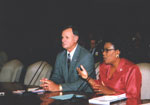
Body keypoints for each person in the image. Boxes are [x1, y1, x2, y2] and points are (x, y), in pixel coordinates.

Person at [77, 38, 142, 105]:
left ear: (117, 52)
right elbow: (100, 87)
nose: (103, 53)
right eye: (103, 50)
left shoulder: (131, 69)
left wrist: (112, 92)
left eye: (107, 50)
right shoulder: (104, 66)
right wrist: (87, 78)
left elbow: (133, 98)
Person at [40, 25, 95, 92]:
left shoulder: (86, 56)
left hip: (85, 96)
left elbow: (82, 83)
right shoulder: (60, 56)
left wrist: (59, 87)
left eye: (67, 37)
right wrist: (49, 84)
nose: (63, 40)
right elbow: (57, 77)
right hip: (66, 94)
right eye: (62, 37)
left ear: (75, 39)